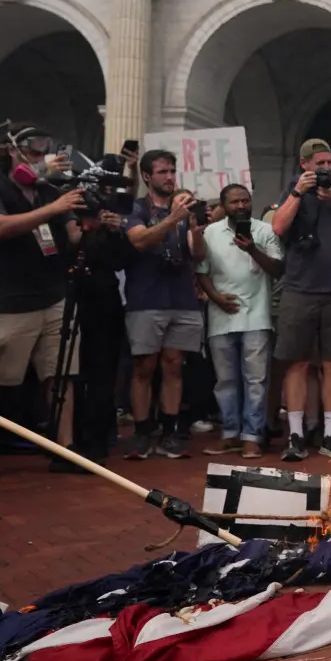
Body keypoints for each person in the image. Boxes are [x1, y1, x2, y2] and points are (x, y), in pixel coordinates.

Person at [0, 125, 88, 479]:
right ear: (13, 152)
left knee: (60, 374)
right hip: (8, 300)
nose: (41, 159)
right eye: (34, 152)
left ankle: (64, 448)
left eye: (44, 152)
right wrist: (54, 207)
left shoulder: (48, 191)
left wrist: (91, 221)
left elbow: (72, 235)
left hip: (53, 296)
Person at [271, 139, 331, 461]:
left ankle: (330, 434)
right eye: (319, 164)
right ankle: (296, 435)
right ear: (304, 164)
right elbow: (278, 226)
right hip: (299, 289)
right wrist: (299, 192)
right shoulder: (292, 190)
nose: (326, 169)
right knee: (297, 362)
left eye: (329, 163)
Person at [122, 150, 203, 461]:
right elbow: (140, 241)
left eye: (172, 171)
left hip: (182, 298)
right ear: (146, 176)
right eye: (162, 172)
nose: (170, 177)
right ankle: (143, 431)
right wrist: (173, 219)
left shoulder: (183, 209)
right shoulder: (136, 209)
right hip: (147, 298)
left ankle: (170, 432)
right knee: (144, 367)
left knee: (173, 365)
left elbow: (199, 255)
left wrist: (194, 225)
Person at [196, 184, 284, 460]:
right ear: (224, 205)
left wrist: (253, 250)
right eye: (234, 202)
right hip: (222, 316)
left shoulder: (264, 231)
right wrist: (216, 298)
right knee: (225, 380)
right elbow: (201, 272)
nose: (241, 205)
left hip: (256, 316)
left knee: (256, 380)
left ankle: (252, 436)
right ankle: (230, 434)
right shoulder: (211, 233)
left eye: (245, 200)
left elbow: (278, 269)